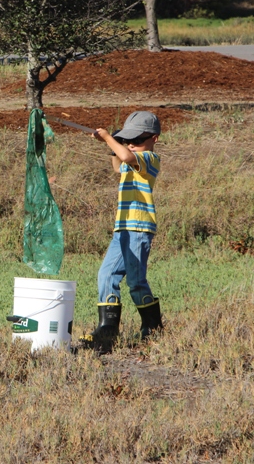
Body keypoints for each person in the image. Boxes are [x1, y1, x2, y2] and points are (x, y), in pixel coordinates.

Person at [83, 111, 163, 349]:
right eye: (128, 139)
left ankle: (153, 328)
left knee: (136, 281)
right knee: (106, 275)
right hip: (122, 229)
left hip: (138, 227)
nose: (132, 144)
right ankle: (107, 331)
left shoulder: (149, 158)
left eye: (137, 139)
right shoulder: (131, 160)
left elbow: (126, 157)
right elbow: (118, 165)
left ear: (154, 139)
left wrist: (110, 138)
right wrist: (111, 145)